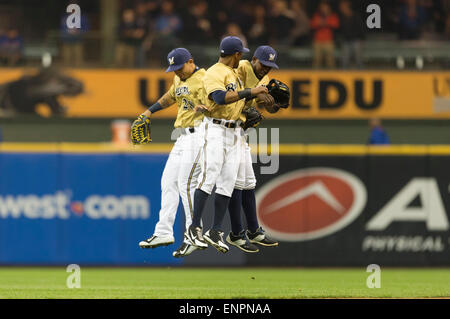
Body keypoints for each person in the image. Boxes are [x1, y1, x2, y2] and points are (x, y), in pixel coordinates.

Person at [186, 36, 268, 253]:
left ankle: (215, 231)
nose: (243, 56)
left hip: (234, 132)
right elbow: (220, 98)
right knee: (208, 177)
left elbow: (254, 71)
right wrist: (251, 92)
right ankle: (194, 228)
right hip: (215, 129)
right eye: (241, 52)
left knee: (228, 184)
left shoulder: (235, 72)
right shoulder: (214, 72)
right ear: (237, 54)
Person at [138, 48, 208, 258]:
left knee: (187, 184)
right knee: (168, 182)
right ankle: (163, 232)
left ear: (190, 61)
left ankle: (194, 233)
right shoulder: (179, 79)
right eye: (174, 69)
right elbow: (170, 97)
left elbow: (216, 102)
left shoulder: (203, 78)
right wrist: (148, 111)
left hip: (200, 134)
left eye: (179, 67)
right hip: (182, 136)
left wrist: (207, 108)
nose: (177, 72)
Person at [226, 45, 281, 253]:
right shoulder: (239, 68)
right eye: (264, 64)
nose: (266, 69)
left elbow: (267, 105)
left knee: (248, 182)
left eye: (270, 66)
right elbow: (228, 95)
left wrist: (275, 103)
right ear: (255, 59)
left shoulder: (264, 79)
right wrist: (248, 106)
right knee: (235, 183)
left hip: (239, 132)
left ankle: (253, 231)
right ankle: (237, 233)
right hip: (223, 128)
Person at [310, 1, 340, 69]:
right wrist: (320, 24)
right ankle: (315, 76)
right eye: (322, 8)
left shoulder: (333, 16)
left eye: (325, 7)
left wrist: (325, 23)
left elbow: (336, 25)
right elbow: (312, 25)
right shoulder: (316, 15)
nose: (324, 9)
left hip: (328, 41)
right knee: (317, 60)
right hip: (317, 41)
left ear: (328, 8)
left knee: (330, 60)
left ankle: (332, 77)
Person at [338, 0, 364, 69]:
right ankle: (344, 75)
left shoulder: (355, 16)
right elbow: (339, 30)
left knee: (358, 59)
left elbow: (361, 28)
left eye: (343, 6)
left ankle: (361, 74)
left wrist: (361, 39)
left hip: (356, 40)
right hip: (346, 40)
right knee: (344, 60)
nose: (341, 8)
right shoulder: (341, 17)